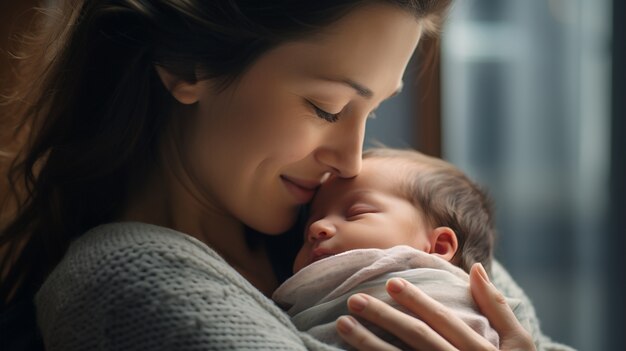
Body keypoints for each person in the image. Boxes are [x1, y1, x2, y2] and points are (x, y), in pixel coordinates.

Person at [0, 1, 551, 350]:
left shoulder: (369, 212)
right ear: (188, 64)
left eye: (374, 110)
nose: (353, 161)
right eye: (327, 108)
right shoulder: (126, 281)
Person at [273, 148, 526, 349]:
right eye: (308, 226)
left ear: (438, 246)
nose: (317, 227)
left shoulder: (450, 291)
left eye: (356, 212)